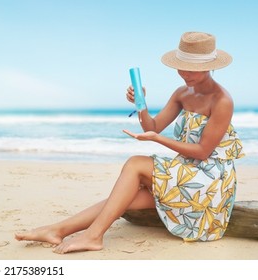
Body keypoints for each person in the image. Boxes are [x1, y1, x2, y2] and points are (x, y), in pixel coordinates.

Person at [14, 31, 244, 254]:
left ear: (211, 65)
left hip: (210, 181)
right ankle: (58, 230)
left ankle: (93, 236)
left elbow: (203, 152)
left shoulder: (222, 100)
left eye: (193, 68)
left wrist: (158, 140)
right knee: (127, 196)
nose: (185, 73)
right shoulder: (182, 93)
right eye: (181, 65)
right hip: (187, 172)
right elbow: (151, 127)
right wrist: (141, 105)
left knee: (135, 164)